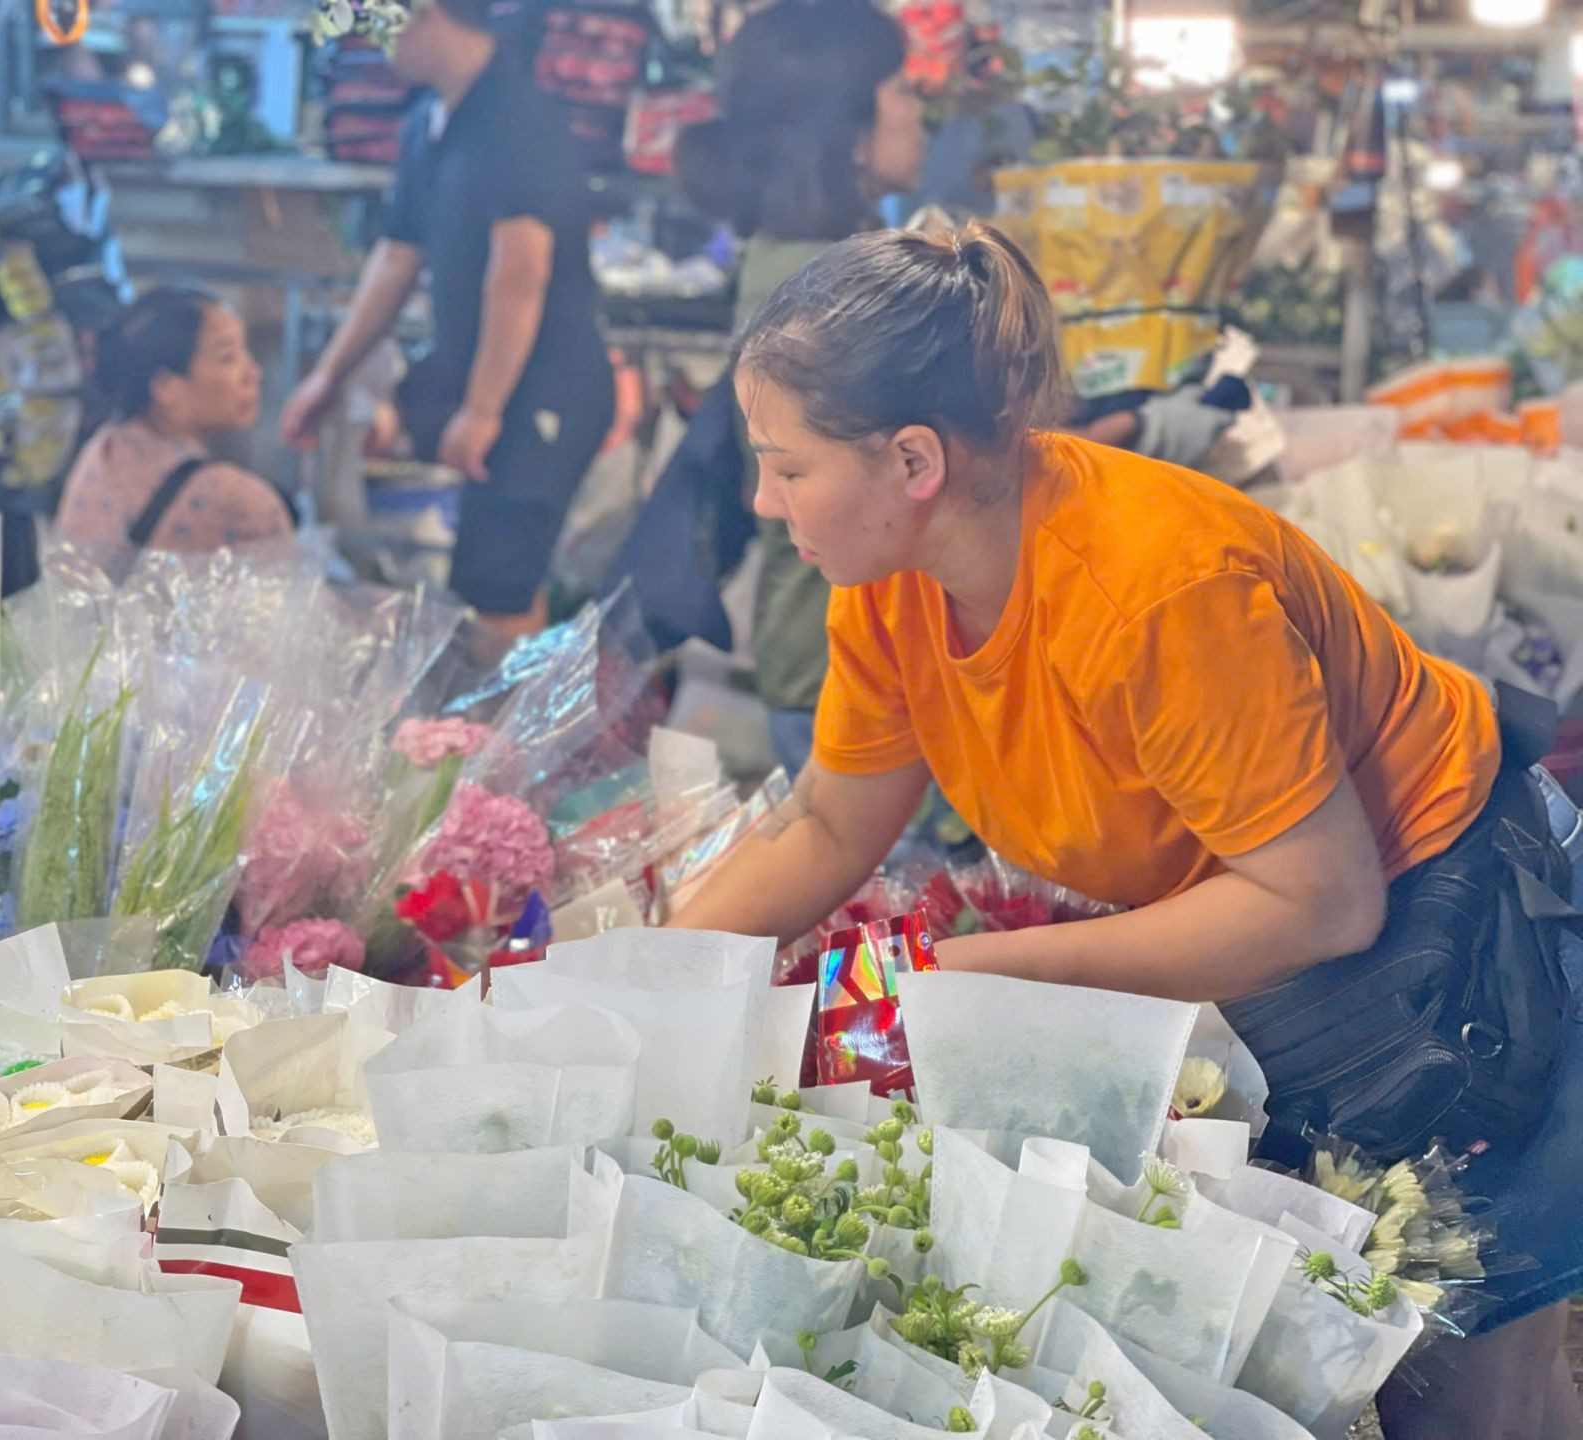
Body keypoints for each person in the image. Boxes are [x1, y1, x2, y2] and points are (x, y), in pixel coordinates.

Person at [670, 224, 1583, 1438]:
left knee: (1450, 1376)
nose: (761, 501)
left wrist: (986, 974)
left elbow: (1320, 901)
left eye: (786, 468)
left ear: (912, 461)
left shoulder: (1152, 589)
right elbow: (828, 822)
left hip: (1442, 936)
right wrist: (644, 981)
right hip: (1283, 930)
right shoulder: (890, 587)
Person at [280, 0, 612, 652]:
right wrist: (328, 375)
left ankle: (491, 745)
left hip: (547, 388)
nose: (372, 45)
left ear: (425, 12)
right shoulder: (426, 123)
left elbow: (521, 271)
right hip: (492, 384)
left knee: (497, 582)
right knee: (493, 574)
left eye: (377, 23)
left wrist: (483, 409)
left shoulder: (518, 116)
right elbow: (395, 257)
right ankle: (486, 741)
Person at [671, 0, 925, 774]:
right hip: (846, 673)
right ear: (846, 122)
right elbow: (910, 474)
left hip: (827, 659)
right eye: (904, 91)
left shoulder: (795, 259)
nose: (920, 115)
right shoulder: (832, 285)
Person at [54, 287, 292, 578]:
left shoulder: (98, 454)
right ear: (166, 387)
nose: (253, 372)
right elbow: (291, 608)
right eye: (228, 357)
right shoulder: (239, 501)